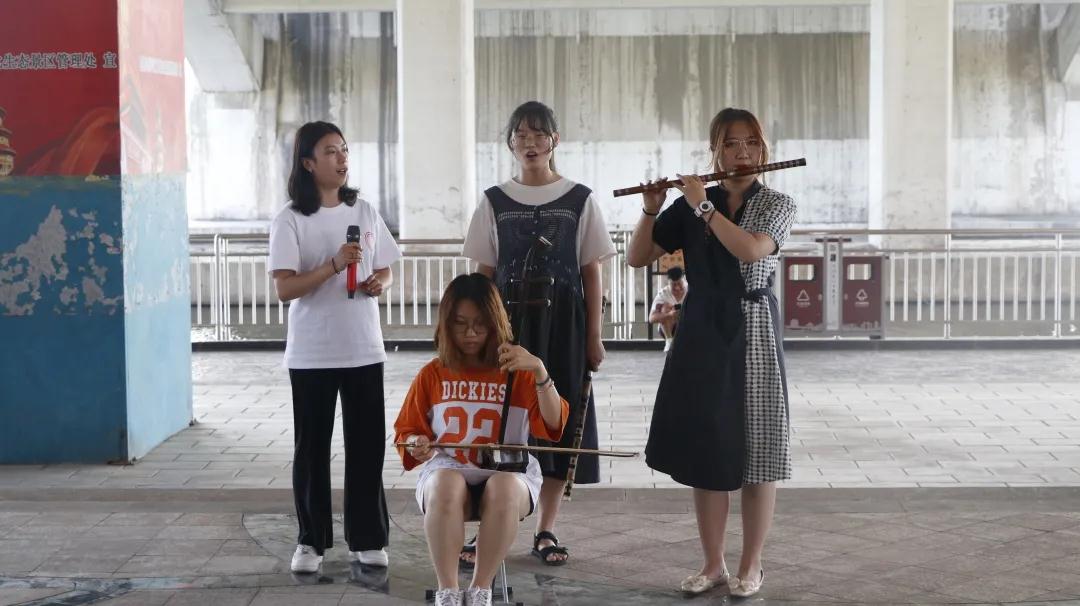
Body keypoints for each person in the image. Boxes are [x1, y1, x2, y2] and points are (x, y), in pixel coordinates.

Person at [627, 108, 797, 598]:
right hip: (701, 328)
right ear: (715, 151)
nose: (742, 152)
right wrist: (651, 209)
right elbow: (638, 257)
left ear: (763, 148)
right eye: (730, 144)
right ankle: (713, 564)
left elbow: (750, 250)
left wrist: (702, 206)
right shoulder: (693, 202)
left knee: (758, 448)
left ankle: (751, 565)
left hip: (752, 325)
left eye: (751, 143)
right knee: (707, 447)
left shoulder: (777, 203)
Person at [462, 101, 615, 565]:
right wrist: (477, 333)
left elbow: (591, 272)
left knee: (558, 422)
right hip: (507, 328)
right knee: (501, 421)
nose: (530, 144)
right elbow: (483, 275)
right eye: (521, 136)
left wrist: (594, 335)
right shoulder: (494, 200)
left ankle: (546, 529)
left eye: (539, 135)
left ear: (554, 141)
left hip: (565, 325)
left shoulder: (579, 199)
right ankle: (488, 527)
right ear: (510, 143)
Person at [268, 121, 402, 574]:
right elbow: (285, 289)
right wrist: (332, 265)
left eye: (344, 149)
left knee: (366, 446)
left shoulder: (363, 210)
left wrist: (379, 283)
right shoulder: (290, 219)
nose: (342, 158)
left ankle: (368, 538)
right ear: (308, 163)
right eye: (330, 151)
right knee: (312, 450)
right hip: (312, 353)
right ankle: (310, 542)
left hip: (363, 347)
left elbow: (386, 269)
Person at [395, 273, 569, 606]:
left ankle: (480, 590)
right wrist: (417, 443)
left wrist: (539, 370)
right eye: (460, 324)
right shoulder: (433, 373)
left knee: (502, 487)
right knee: (445, 482)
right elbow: (407, 433)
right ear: (446, 325)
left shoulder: (517, 372)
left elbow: (553, 423)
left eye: (480, 324)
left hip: (509, 473)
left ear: (495, 323)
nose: (471, 333)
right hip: (448, 471)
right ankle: (447, 590)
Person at [649, 266, 688, 352]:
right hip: (669, 328)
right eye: (674, 285)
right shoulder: (663, 294)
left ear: (684, 280)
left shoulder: (690, 290)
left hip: (687, 325)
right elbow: (651, 318)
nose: (677, 288)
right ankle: (669, 341)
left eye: (679, 284)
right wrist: (669, 315)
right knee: (665, 308)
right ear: (669, 283)